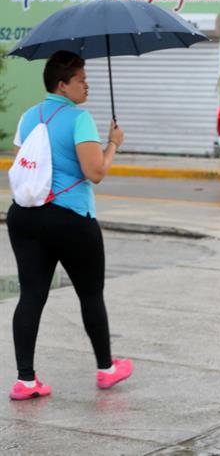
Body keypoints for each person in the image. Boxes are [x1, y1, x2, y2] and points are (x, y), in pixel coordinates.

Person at [7, 50, 133, 401]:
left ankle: (25, 380)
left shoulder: (29, 116)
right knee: (90, 294)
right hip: (70, 219)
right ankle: (107, 369)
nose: (86, 86)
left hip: (25, 216)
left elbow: (29, 165)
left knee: (31, 295)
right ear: (62, 85)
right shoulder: (79, 119)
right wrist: (113, 144)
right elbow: (95, 172)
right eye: (80, 80)